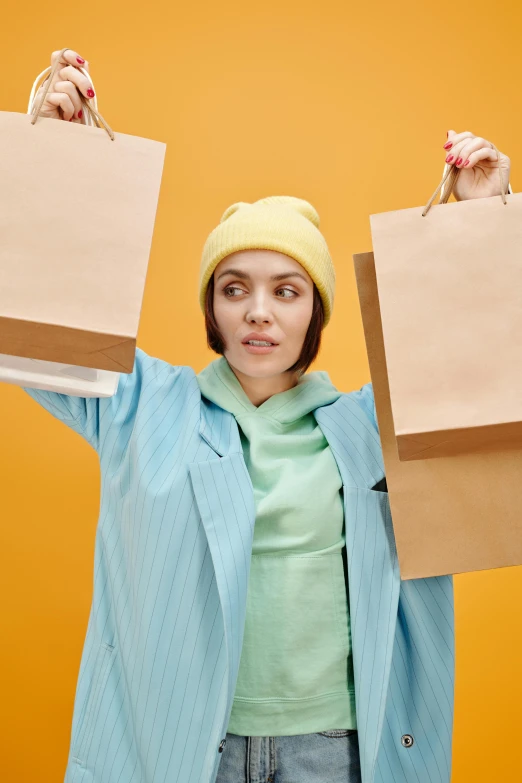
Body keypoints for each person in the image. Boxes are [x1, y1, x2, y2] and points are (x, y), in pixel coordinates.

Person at [23, 49, 512, 783]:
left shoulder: (373, 429)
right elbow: (35, 328)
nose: (258, 311)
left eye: (287, 290)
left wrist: (487, 220)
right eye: (234, 286)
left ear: (316, 309)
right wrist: (53, 155)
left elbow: (486, 365)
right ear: (211, 306)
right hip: (187, 750)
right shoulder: (141, 405)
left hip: (335, 752)